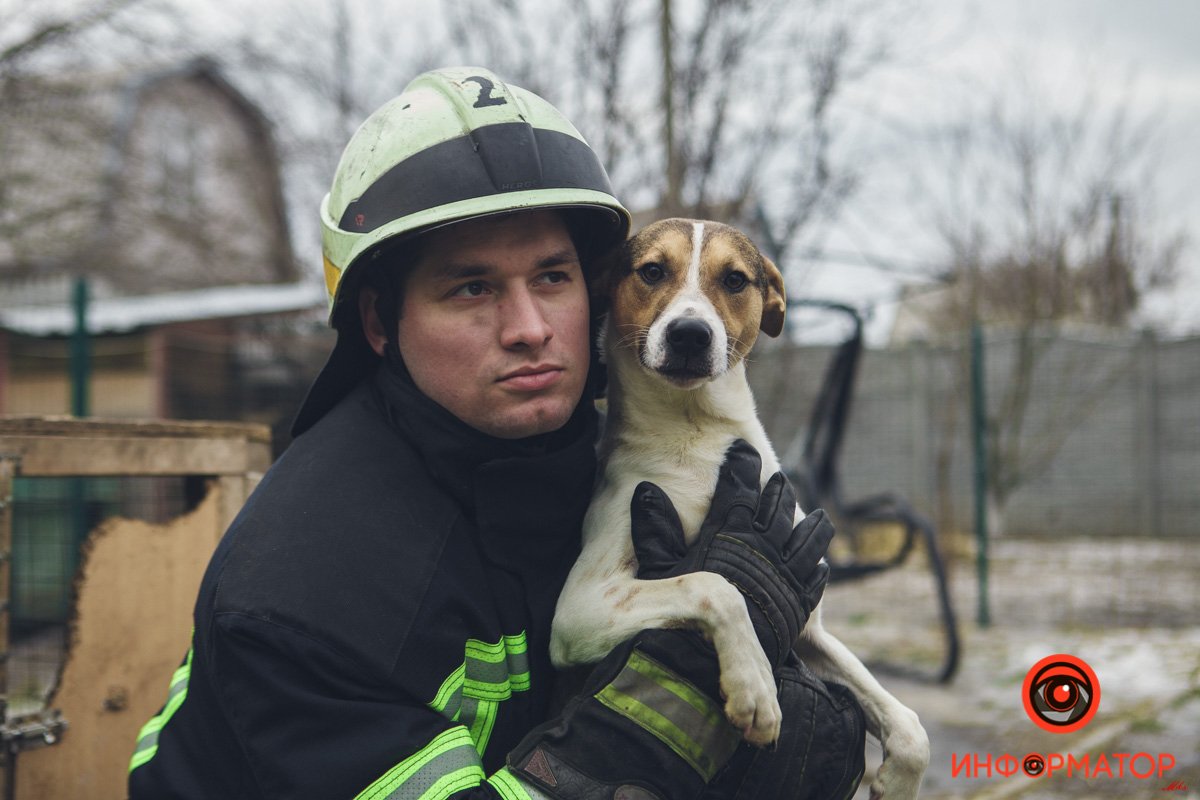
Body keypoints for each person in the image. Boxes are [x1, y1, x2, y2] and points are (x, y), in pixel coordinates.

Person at [127, 66, 865, 800]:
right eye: (472, 287)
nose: (530, 329)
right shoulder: (303, 589)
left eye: (552, 278)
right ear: (380, 321)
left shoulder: (606, 467)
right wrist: (668, 714)